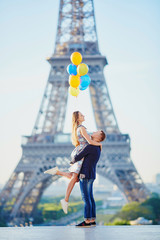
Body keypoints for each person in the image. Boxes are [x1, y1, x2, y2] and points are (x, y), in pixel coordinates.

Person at [44, 111, 102, 213]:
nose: (84, 115)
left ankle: (57, 172)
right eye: (81, 115)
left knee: (74, 178)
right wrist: (99, 145)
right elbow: (89, 142)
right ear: (78, 118)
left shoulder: (79, 128)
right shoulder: (82, 128)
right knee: (75, 178)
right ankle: (65, 200)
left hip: (81, 151)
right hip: (82, 153)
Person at [71, 130, 106, 227]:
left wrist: (72, 160)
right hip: (91, 175)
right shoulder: (98, 147)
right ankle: (92, 220)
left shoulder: (90, 147)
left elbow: (77, 157)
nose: (93, 131)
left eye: (96, 132)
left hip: (84, 175)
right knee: (90, 198)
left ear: (98, 137)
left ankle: (86, 221)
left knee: (86, 198)